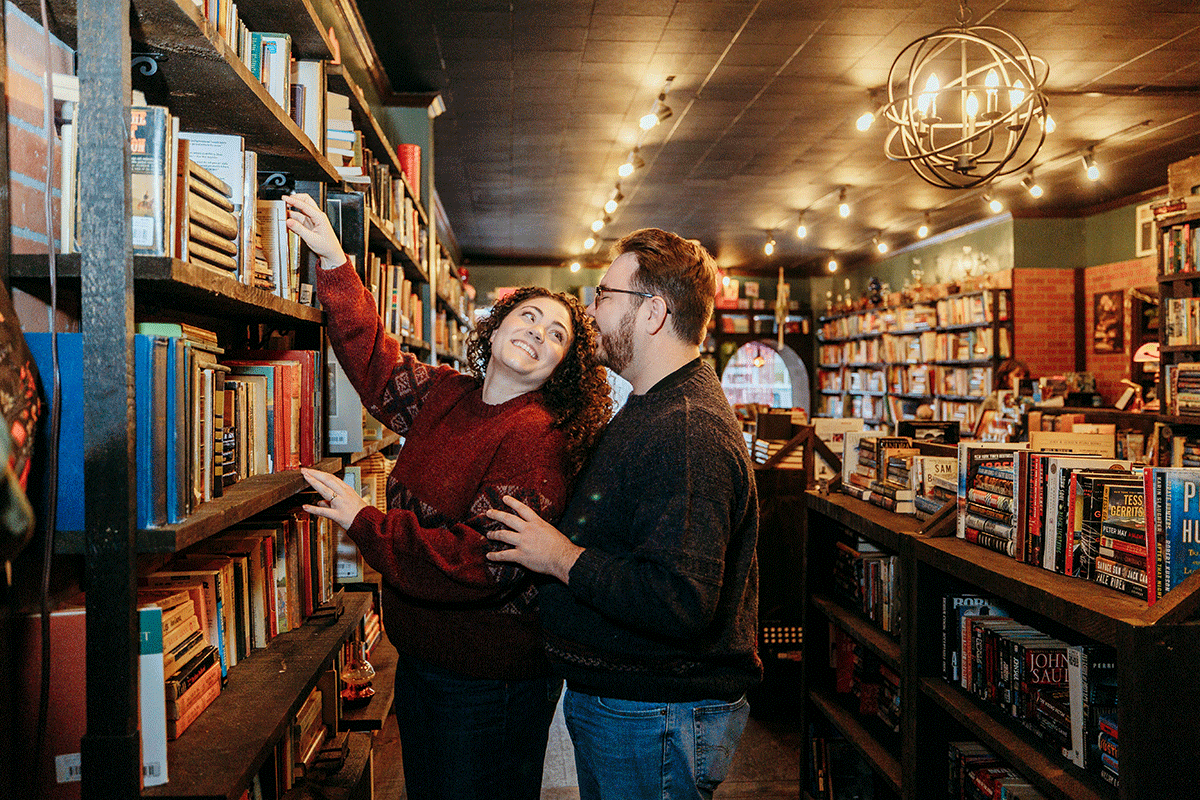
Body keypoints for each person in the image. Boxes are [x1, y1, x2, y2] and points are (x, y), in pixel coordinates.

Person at [281, 192, 612, 800]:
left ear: (562, 367)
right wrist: (334, 261)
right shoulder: (449, 394)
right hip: (428, 661)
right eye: (528, 317)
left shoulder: (535, 435)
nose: (536, 334)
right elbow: (378, 367)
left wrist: (364, 521)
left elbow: (481, 561)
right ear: (498, 323)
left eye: (556, 335)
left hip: (491, 685)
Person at [484, 228, 763, 800]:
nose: (592, 313)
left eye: (606, 296)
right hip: (637, 709)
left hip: (655, 715)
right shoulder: (655, 404)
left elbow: (680, 599)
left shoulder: (687, 428)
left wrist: (561, 557)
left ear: (653, 313)